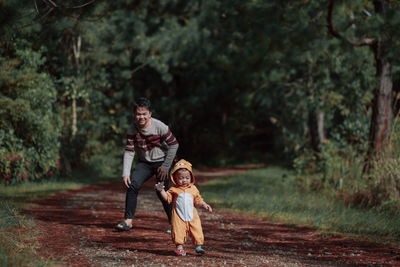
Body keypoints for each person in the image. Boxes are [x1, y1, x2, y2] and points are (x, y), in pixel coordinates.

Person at [115, 97, 179, 232]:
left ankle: (174, 222)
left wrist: (166, 166)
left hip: (162, 161)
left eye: (144, 114)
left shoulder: (159, 126)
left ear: (150, 113)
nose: (141, 117)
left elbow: (174, 144)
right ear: (134, 114)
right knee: (133, 185)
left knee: (161, 190)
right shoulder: (132, 129)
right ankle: (128, 220)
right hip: (145, 162)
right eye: (138, 114)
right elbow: (129, 151)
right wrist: (125, 173)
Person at [155, 159, 213, 256]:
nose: (184, 180)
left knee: (197, 229)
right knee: (178, 231)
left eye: (187, 178)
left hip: (192, 215)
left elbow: (198, 199)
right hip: (178, 216)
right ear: (175, 178)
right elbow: (167, 198)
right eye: (181, 178)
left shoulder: (193, 189)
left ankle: (198, 246)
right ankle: (179, 248)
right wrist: (161, 191)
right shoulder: (174, 189)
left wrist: (204, 204)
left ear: (191, 177)